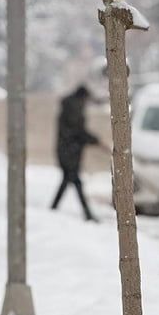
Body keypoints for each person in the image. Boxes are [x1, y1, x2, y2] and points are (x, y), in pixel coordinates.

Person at [52, 84, 101, 221]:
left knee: (67, 180)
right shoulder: (73, 109)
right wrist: (94, 140)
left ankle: (54, 208)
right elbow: (77, 131)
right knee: (75, 181)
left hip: (69, 151)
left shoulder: (70, 107)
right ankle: (87, 213)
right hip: (69, 152)